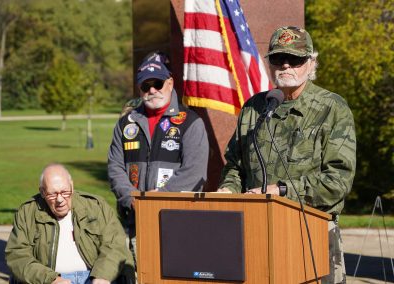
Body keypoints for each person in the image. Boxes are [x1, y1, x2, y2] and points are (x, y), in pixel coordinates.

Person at [218, 26, 356, 283]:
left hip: (310, 233)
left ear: (311, 62)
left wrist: (281, 191)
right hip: (256, 233)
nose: (286, 65)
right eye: (278, 58)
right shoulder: (254, 108)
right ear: (269, 62)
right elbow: (235, 165)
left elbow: (338, 182)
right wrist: (228, 189)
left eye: (295, 59)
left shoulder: (332, 108)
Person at [107, 55, 209, 261]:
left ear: (170, 83)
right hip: (133, 222)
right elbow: (115, 167)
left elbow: (195, 172)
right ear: (139, 89)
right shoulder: (126, 123)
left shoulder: (190, 122)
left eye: (158, 83)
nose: (152, 90)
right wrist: (132, 198)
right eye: (146, 86)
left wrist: (157, 199)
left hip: (177, 223)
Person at [5, 164, 135, 284]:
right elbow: (17, 254)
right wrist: (52, 279)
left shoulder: (96, 206)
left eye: (65, 192)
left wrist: (102, 276)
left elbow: (115, 245)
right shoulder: (27, 212)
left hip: (94, 276)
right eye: (52, 194)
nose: (60, 200)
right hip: (50, 280)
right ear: (42, 192)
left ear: (72, 186)